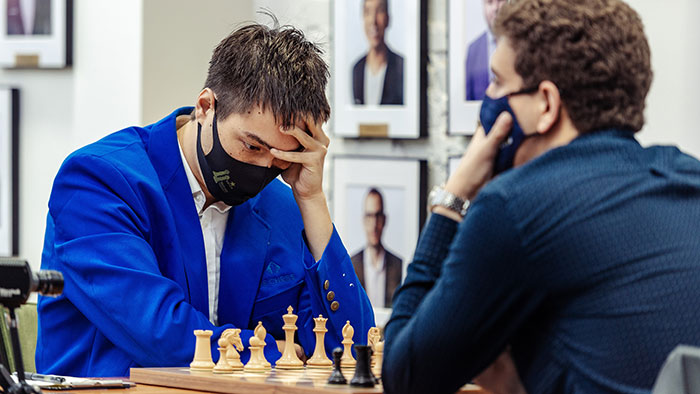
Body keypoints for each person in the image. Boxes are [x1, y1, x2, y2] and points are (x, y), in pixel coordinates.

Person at [383, 0, 700, 393]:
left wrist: (453, 198)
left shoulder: (514, 206)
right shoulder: (689, 176)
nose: (489, 95)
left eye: (498, 81)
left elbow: (406, 375)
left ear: (546, 104)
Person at [36, 21, 375, 377]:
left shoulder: (280, 204)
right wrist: (277, 353)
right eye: (252, 146)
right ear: (205, 106)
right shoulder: (98, 182)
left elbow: (353, 352)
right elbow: (161, 335)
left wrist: (312, 200)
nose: (263, 167)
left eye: (279, 156)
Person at [350, 188, 402, 308]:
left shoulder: (399, 265)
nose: (374, 225)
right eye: (369, 216)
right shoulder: (351, 265)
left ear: (384, 219)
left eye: (377, 216)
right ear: (363, 220)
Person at [352, 0, 404, 106]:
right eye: (368, 12)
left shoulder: (401, 67)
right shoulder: (357, 69)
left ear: (388, 19)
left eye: (379, 11)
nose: (373, 21)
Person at [465, 0, 507, 101]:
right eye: (490, 2)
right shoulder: (473, 50)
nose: (495, 8)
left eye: (500, 1)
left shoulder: (522, 44)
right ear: (483, 7)